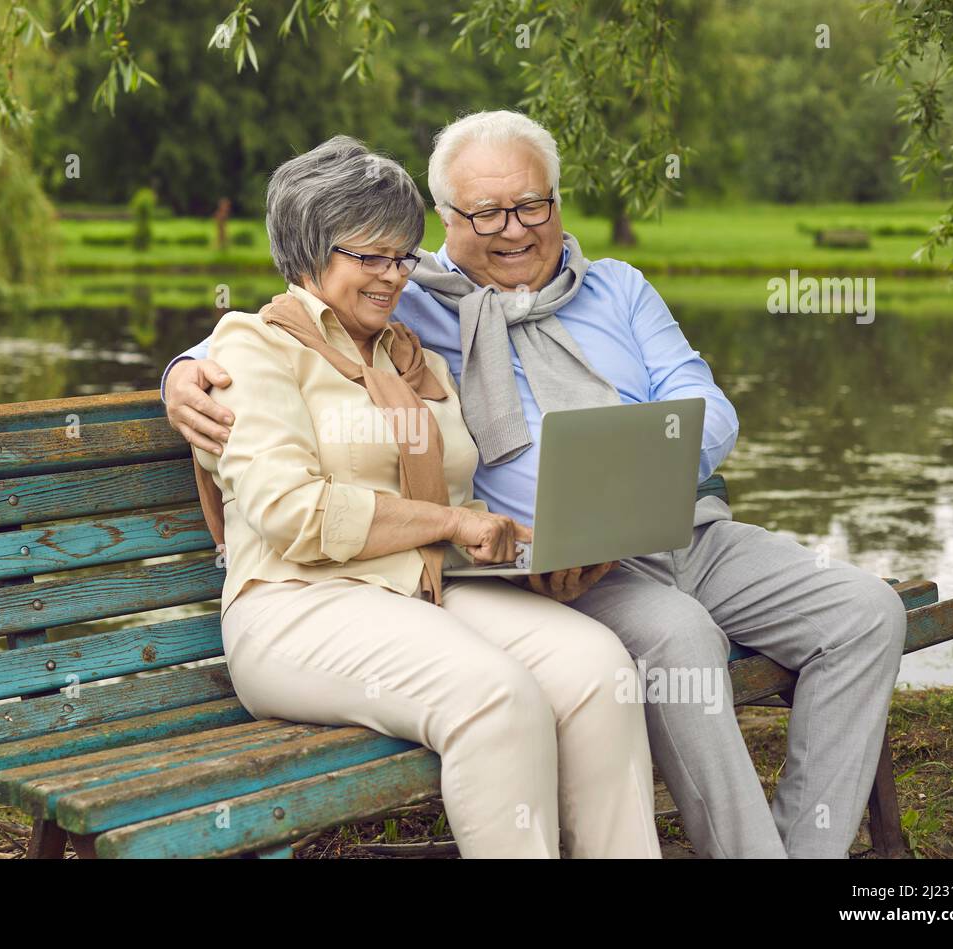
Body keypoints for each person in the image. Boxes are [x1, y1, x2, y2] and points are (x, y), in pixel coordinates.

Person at [164, 111, 909, 859]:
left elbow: (708, 407)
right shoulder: (412, 304)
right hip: (541, 567)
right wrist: (181, 372)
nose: (512, 229)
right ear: (448, 226)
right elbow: (276, 326)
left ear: (556, 202)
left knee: (867, 612)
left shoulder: (541, 308)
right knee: (662, 643)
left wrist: (632, 465)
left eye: (531, 205)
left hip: (677, 525)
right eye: (485, 211)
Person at [187, 134, 661, 858]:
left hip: (422, 588)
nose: (394, 276)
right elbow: (293, 512)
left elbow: (463, 496)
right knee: (496, 694)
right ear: (310, 251)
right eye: (368, 257)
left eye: (403, 255)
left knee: (598, 666)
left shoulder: (408, 356)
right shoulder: (252, 350)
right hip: (295, 606)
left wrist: (535, 551)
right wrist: (451, 521)